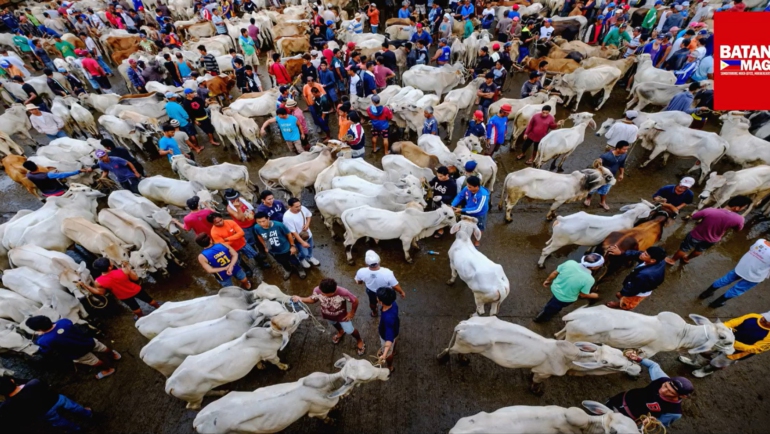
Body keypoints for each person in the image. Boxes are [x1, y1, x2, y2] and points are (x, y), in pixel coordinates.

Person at [604, 356, 693, 427]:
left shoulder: (674, 412)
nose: (663, 390)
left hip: (627, 418)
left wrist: (652, 421)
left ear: (683, 396)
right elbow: (653, 365)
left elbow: (661, 423)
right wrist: (638, 358)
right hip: (619, 399)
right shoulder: (662, 379)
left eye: (670, 391)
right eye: (665, 385)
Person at [678, 312, 770, 378]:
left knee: (718, 362)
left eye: (766, 320)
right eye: (765, 317)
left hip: (736, 351)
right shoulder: (753, 316)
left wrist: (732, 342)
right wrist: (721, 329)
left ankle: (706, 370)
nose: (762, 319)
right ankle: (695, 363)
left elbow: (755, 349)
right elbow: (734, 322)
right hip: (723, 339)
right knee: (705, 350)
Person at [27, 315, 120, 380]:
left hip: (77, 353)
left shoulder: (43, 340)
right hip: (87, 341)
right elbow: (58, 327)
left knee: (94, 361)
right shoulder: (64, 321)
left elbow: (46, 350)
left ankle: (108, 370)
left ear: (39, 330)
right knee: (102, 347)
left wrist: (42, 334)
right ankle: (114, 355)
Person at [666, 195, 752, 265]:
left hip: (696, 235)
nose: (744, 209)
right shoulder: (739, 219)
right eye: (744, 207)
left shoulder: (710, 210)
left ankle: (672, 260)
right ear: (736, 208)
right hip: (712, 240)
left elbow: (695, 217)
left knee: (684, 248)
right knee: (699, 250)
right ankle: (687, 258)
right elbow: (738, 229)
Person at [292, 278, 365, 355]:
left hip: (342, 316)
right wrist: (300, 299)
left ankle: (359, 340)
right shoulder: (318, 290)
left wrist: (352, 313)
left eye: (324, 294)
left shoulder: (343, 292)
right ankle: (341, 331)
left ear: (333, 292)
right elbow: (313, 299)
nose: (321, 294)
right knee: (334, 323)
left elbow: (355, 301)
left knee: (350, 330)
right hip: (327, 314)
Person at [0, 377, 92, 432]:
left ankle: (75, 429)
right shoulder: (34, 382)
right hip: (56, 399)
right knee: (74, 407)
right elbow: (46, 386)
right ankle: (87, 413)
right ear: (12, 381)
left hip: (44, 412)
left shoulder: (8, 405)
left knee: (59, 421)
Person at [79, 258, 161, 319]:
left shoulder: (98, 281)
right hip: (136, 290)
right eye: (110, 262)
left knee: (135, 307)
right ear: (110, 267)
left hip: (123, 296)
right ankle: (158, 307)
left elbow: (100, 293)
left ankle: (140, 317)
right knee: (150, 300)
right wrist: (128, 267)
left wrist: (86, 286)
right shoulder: (123, 271)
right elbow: (135, 278)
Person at [700, 239, 770, 308]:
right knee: (737, 289)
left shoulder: (760, 241)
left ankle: (705, 293)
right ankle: (717, 302)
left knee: (726, 279)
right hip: (754, 276)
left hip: (742, 267)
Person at [534, 254, 603, 322]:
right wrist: (596, 295)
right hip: (565, 298)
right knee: (552, 308)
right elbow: (583, 294)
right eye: (600, 265)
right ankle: (541, 318)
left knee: (553, 302)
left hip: (555, 288)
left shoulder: (570, 263)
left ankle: (550, 309)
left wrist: (548, 280)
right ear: (594, 267)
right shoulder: (589, 279)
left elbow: (555, 273)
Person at [603, 246, 667, 310]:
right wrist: (622, 253)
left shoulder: (644, 275)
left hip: (638, 291)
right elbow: (637, 254)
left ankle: (620, 305)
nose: (642, 254)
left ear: (652, 260)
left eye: (645, 254)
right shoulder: (660, 260)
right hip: (642, 283)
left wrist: (623, 292)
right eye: (644, 252)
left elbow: (633, 289)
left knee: (627, 302)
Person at [254, 211, 306, 280]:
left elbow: (289, 234)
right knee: (282, 262)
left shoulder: (278, 225)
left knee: (293, 260)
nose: (261, 224)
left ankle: (300, 269)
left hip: (285, 248)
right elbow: (260, 236)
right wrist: (266, 246)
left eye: (263, 221)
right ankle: (288, 270)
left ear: (268, 219)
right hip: (273, 251)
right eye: (259, 222)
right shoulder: (256, 227)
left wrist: (292, 246)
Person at [355, 250, 406, 317]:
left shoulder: (361, 271)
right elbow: (395, 286)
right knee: (387, 302)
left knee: (372, 302)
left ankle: (374, 312)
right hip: (385, 291)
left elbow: (359, 282)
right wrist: (401, 292)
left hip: (371, 291)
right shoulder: (387, 272)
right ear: (379, 261)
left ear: (366, 263)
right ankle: (385, 312)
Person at [584, 141, 628, 210]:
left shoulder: (624, 155)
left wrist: (621, 174)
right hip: (600, 177)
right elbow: (596, 166)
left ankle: (602, 202)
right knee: (593, 188)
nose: (626, 151)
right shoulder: (605, 156)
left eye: (626, 149)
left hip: (610, 177)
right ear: (618, 149)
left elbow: (621, 165)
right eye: (624, 149)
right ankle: (588, 198)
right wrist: (598, 162)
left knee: (605, 190)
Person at [451, 176, 490, 245]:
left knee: (480, 227)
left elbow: (478, 209)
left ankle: (477, 240)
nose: (467, 188)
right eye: (467, 186)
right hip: (467, 210)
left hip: (479, 214)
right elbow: (460, 196)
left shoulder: (483, 195)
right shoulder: (467, 189)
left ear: (476, 186)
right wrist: (453, 205)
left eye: (470, 187)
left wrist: (462, 210)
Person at [22, 160, 90, 199]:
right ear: (36, 166)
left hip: (46, 194)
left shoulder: (28, 175)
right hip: (58, 192)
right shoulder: (48, 175)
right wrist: (78, 171)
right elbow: (64, 175)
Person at [283, 197, 320, 269]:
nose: (299, 208)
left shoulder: (302, 208)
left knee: (310, 247)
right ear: (290, 207)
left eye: (299, 205)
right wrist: (302, 242)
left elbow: (309, 215)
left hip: (307, 234)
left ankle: (310, 257)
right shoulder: (287, 217)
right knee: (304, 252)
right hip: (299, 237)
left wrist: (307, 224)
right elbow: (293, 232)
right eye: (296, 207)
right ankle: (301, 259)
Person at [376, 286, 399, 372]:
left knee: (389, 353)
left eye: (378, 297)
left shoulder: (387, 318)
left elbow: (389, 339)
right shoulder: (393, 303)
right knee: (394, 339)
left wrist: (384, 354)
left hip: (386, 335)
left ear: (381, 302)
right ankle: (394, 351)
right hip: (395, 329)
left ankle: (390, 366)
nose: (376, 298)